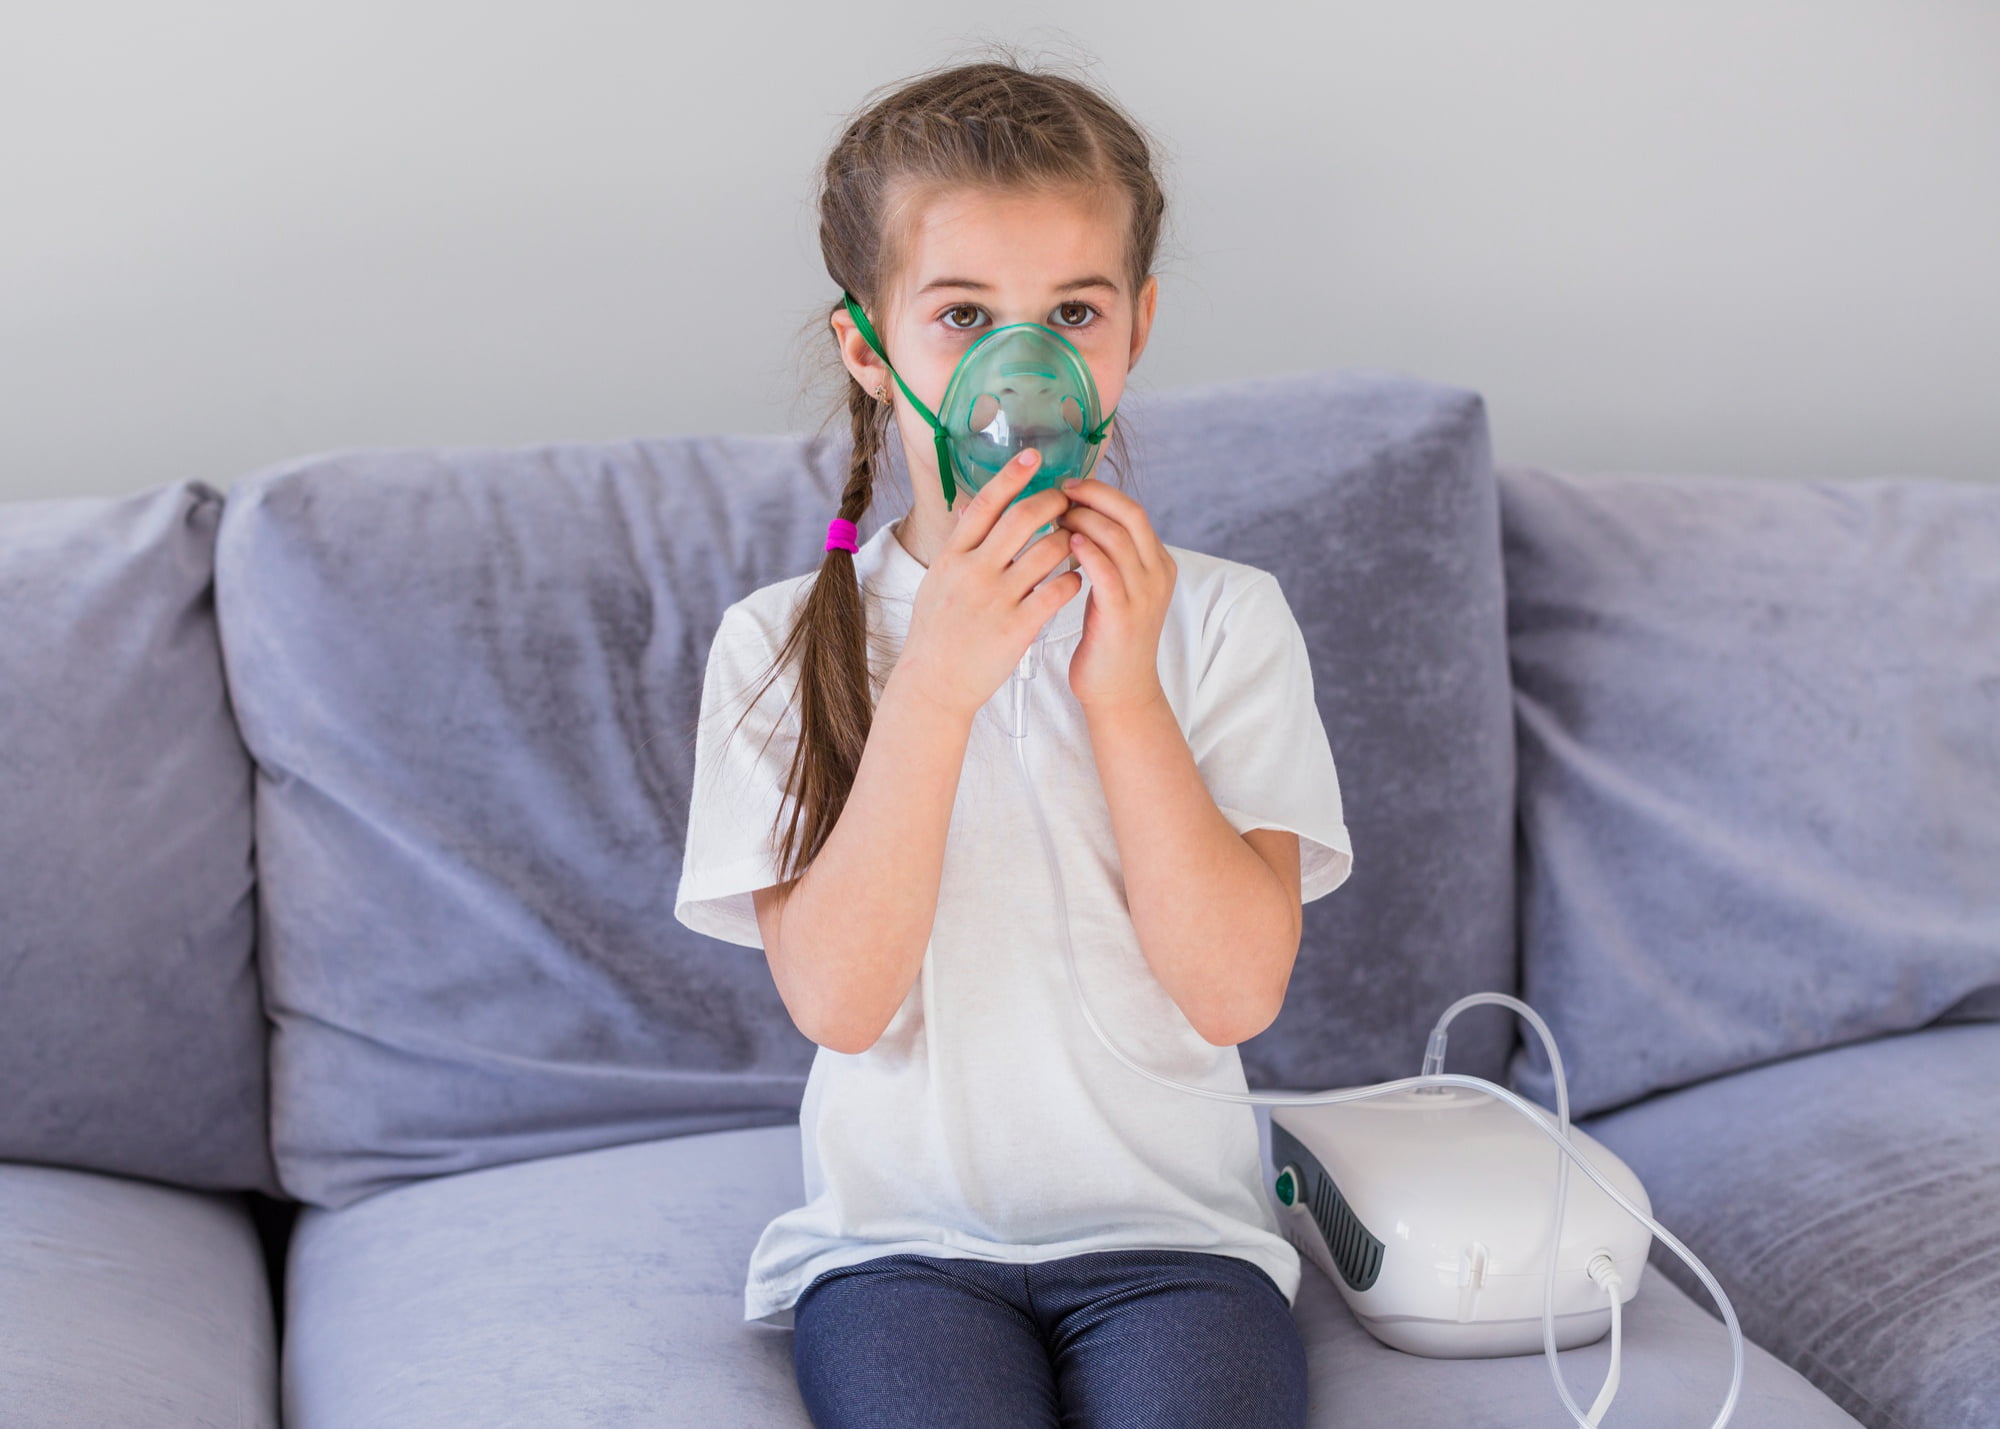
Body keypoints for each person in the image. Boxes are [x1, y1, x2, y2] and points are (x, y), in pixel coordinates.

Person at [674, 53, 1354, 1429]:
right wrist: (935, 686)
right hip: (901, 1250)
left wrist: (1123, 696)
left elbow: (1233, 993)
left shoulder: (1223, 623)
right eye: (965, 313)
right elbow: (840, 1004)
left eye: (1074, 312)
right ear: (870, 347)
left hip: (1178, 1246)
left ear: (1136, 330)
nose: (1020, 368)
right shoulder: (775, 643)